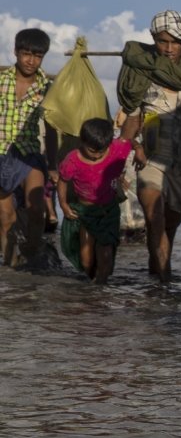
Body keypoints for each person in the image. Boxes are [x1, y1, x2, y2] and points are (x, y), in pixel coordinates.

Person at [117, 9, 181, 282]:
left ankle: (156, 278)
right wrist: (120, 157)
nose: (170, 48)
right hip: (152, 160)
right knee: (155, 222)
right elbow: (133, 120)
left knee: (168, 229)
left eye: (177, 42)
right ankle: (164, 288)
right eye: (163, 41)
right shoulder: (140, 75)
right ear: (153, 39)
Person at [56, 118, 144, 283]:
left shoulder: (116, 149)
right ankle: (92, 292)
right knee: (86, 260)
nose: (96, 155)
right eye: (92, 150)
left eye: (101, 151)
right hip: (85, 212)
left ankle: (101, 292)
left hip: (108, 211)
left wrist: (139, 150)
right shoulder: (72, 160)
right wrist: (63, 204)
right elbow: (62, 180)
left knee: (105, 256)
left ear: (109, 144)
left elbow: (129, 139)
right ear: (82, 142)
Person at [0, 28, 57, 268]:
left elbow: (53, 127)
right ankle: (9, 263)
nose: (31, 61)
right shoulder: (2, 81)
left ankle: (31, 257)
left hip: (30, 153)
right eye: (26, 54)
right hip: (1, 152)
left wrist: (53, 166)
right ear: (16, 52)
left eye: (37, 56)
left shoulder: (48, 87)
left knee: (36, 210)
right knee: (5, 217)